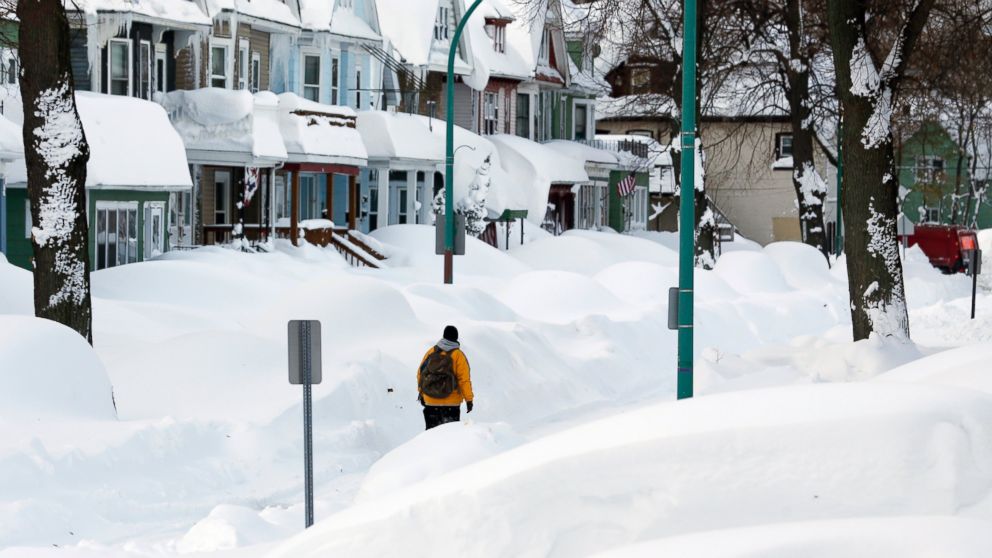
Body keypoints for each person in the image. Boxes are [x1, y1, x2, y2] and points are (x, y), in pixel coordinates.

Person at [417, 325, 473, 430]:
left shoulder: (431, 352)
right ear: (456, 338)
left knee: (431, 435)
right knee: (450, 435)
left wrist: (421, 393)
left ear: (444, 336)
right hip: (452, 404)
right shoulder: (458, 355)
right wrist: (469, 400)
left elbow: (420, 374)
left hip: (431, 401)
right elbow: (464, 380)